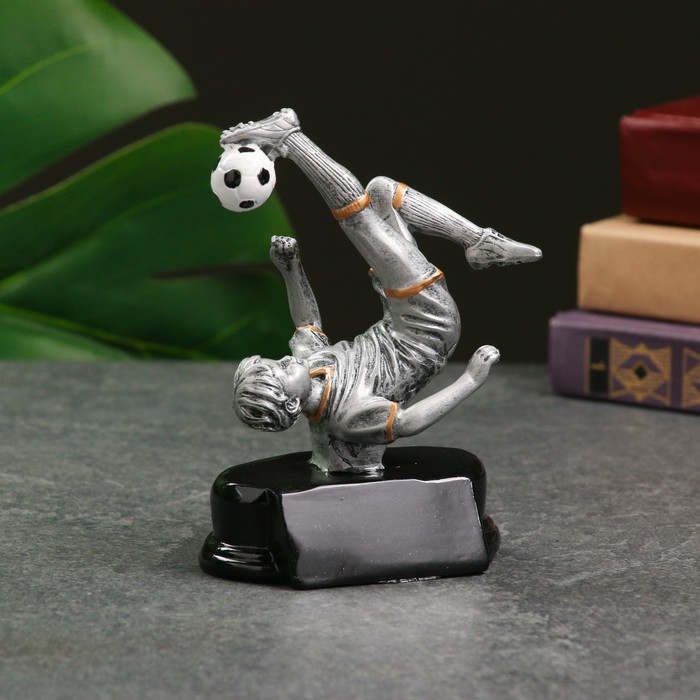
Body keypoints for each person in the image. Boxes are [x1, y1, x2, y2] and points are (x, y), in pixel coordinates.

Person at [223, 109, 541, 473]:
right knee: (356, 219)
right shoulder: (347, 416)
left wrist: (290, 268)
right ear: (291, 404)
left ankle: (478, 242)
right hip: (428, 327)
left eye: (277, 360)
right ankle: (290, 137)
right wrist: (470, 379)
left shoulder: (310, 367)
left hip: (396, 311)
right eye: (282, 369)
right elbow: (407, 422)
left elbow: (308, 324)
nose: (286, 360)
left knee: (381, 193)